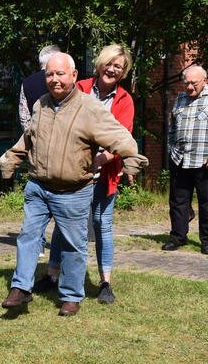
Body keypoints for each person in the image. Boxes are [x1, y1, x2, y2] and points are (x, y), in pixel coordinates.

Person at [0, 52, 148, 316]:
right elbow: (29, 137)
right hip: (38, 186)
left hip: (73, 191)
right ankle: (21, 288)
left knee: (73, 244)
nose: (54, 80)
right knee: (28, 237)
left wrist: (132, 160)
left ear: (74, 76)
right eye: (50, 74)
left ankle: (71, 295)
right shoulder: (41, 105)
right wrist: (11, 158)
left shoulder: (89, 109)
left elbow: (121, 138)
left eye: (60, 74)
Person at [32, 44, 135, 304]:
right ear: (100, 64)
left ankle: (105, 283)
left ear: (123, 72)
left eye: (118, 67)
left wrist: (102, 158)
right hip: (71, 172)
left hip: (104, 172)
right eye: (109, 63)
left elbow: (123, 138)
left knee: (102, 225)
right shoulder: (80, 86)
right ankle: (52, 275)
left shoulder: (124, 100)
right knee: (63, 223)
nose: (112, 69)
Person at [163, 65, 208, 255]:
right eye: (186, 83)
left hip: (205, 161)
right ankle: (178, 236)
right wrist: (172, 150)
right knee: (178, 202)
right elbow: (172, 129)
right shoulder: (180, 99)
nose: (190, 87)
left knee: (207, 204)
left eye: (194, 83)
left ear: (204, 80)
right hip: (180, 159)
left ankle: (207, 241)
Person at [19, 44, 62, 131]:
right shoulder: (61, 80)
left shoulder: (27, 82)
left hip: (37, 137)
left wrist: (31, 137)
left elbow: (24, 117)